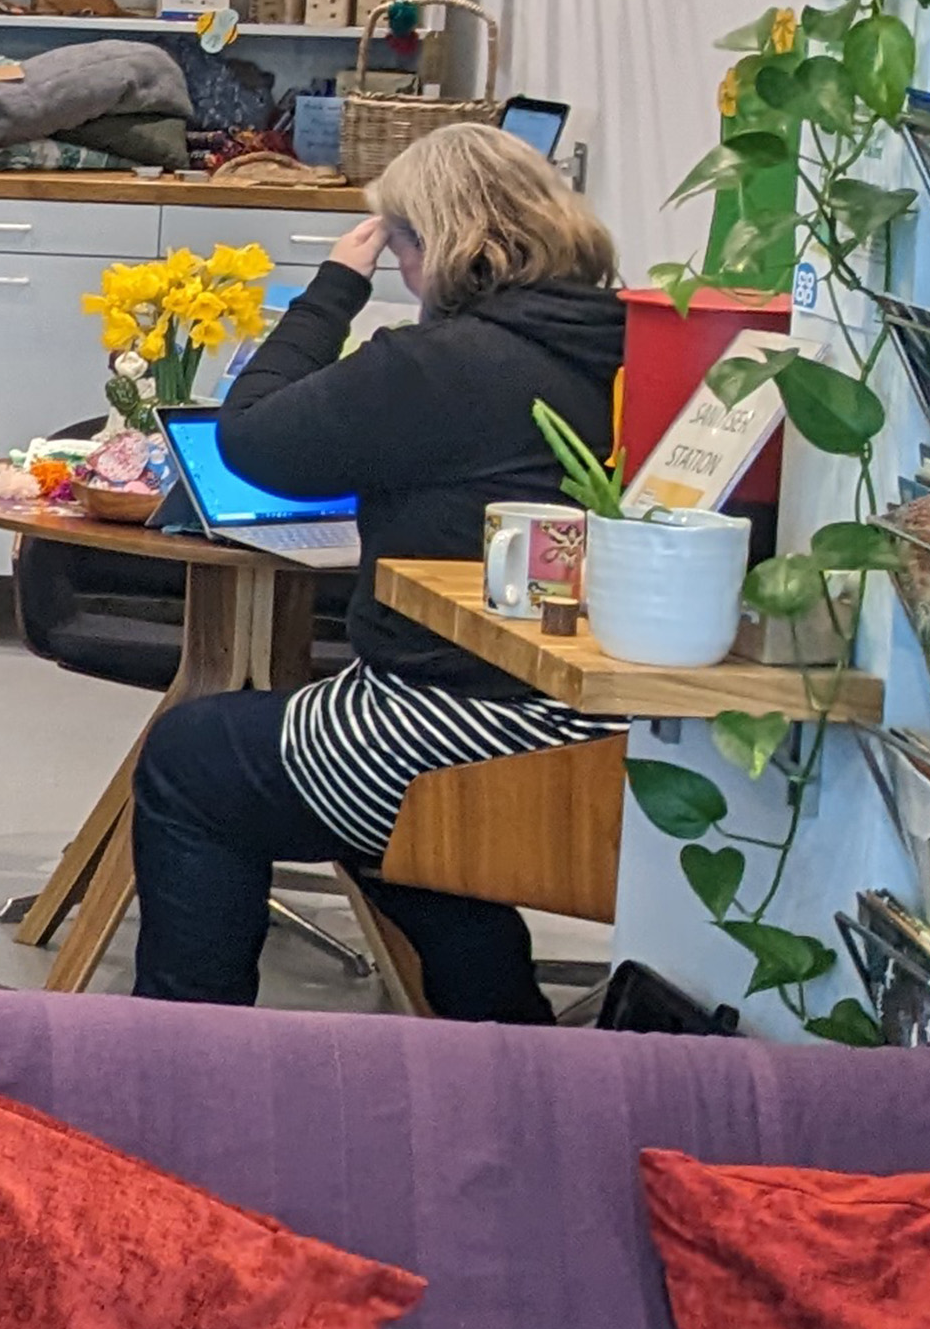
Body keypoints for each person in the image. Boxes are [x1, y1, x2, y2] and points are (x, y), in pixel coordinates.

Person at [128, 124, 628, 1020]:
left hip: (469, 723)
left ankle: (184, 1049)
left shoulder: (440, 364)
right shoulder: (617, 340)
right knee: (389, 836)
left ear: (426, 242)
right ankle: (505, 1030)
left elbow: (248, 438)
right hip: (608, 721)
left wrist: (332, 289)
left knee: (192, 760)